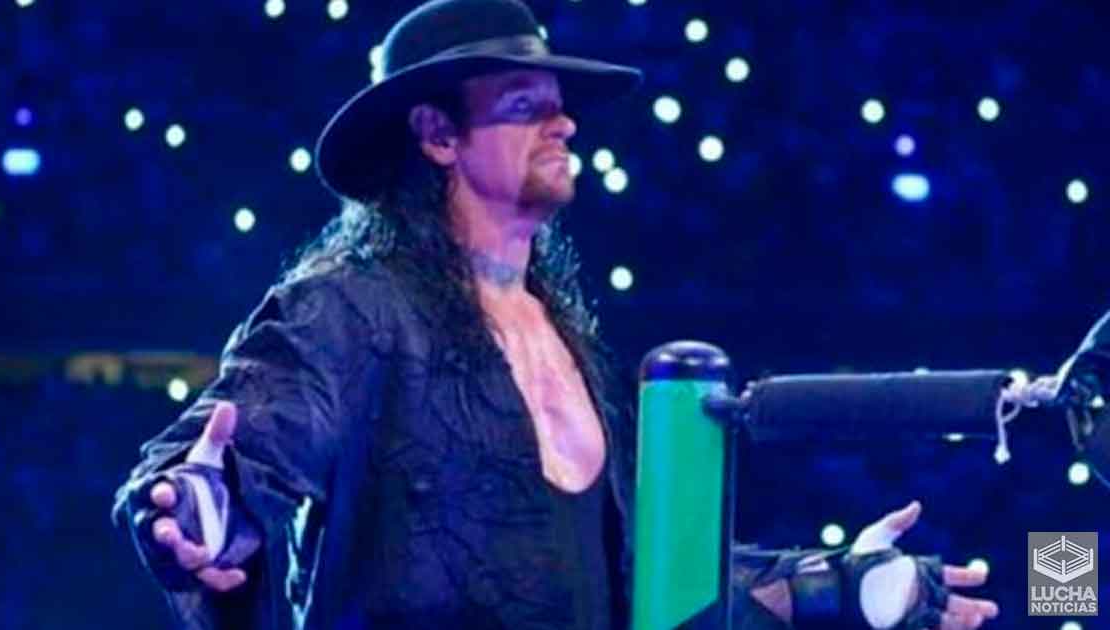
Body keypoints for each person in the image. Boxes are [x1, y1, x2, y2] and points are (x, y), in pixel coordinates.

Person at [113, 1, 1000, 628]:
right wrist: (200, 509)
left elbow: (630, 578)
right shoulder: (350, 305)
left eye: (560, 104)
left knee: (1049, 575)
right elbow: (229, 458)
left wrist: (836, 584)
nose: (565, 123)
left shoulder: (560, 333)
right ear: (438, 135)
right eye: (524, 104)